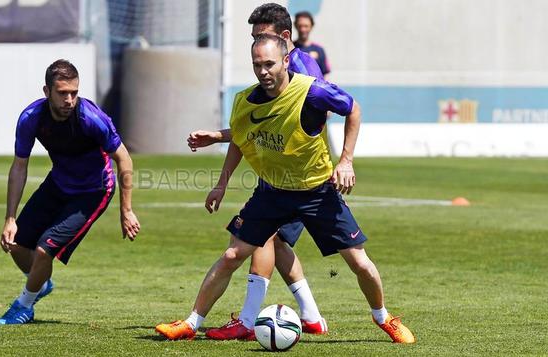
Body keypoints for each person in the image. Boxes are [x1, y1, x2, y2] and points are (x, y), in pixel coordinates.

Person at [156, 34, 415, 344]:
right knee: (232, 254)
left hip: (317, 191)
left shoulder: (312, 92)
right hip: (272, 192)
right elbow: (242, 136)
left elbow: (353, 109)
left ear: (286, 61)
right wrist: (220, 183)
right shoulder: (244, 102)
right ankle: (190, 323)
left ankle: (383, 317)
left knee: (359, 261)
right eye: (256, 65)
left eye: (269, 64)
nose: (263, 71)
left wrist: (346, 160)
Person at [185, 3, 328, 340]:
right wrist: (220, 138)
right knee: (273, 241)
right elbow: (257, 123)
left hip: (298, 178)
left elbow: (301, 121)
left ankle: (248, 322)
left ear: (284, 38)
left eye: (261, 36)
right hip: (276, 174)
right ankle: (311, 316)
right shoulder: (274, 76)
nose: (256, 45)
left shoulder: (305, 70)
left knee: (261, 236)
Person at [0, 59, 140, 325]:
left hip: (94, 190)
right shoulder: (31, 119)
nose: (69, 99)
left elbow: (124, 158)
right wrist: (10, 217)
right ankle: (40, 283)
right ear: (46, 91)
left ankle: (23, 306)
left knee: (43, 251)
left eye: (74, 92)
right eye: (62, 93)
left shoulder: (92, 119)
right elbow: (19, 168)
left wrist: (126, 210)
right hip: (59, 183)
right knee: (15, 244)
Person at [293, 11, 330, 78]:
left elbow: (325, 74)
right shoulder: (290, 48)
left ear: (311, 26)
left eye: (306, 26)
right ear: (295, 26)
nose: (303, 29)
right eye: (300, 26)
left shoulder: (319, 49)